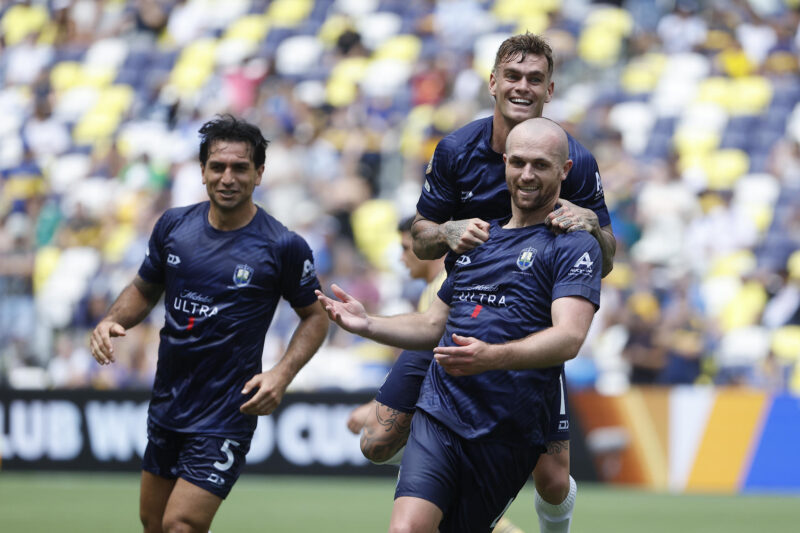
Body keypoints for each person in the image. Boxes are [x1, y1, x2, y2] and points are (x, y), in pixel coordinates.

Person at [365, 32, 616, 533]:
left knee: (552, 476)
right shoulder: (457, 149)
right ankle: (441, 461)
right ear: (493, 83)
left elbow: (604, 255)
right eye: (514, 76)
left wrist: (591, 225)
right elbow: (421, 238)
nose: (523, 87)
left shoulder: (576, 159)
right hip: (460, 311)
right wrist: (446, 231)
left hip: (524, 326)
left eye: (535, 79)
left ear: (550, 90)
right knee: (375, 443)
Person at [318, 117, 601, 532]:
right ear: (504, 162)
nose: (526, 174)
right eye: (518, 162)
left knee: (550, 484)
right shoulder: (476, 240)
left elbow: (570, 338)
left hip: (508, 427)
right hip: (440, 412)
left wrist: (491, 357)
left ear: (564, 171)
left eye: (540, 165)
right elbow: (434, 324)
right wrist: (367, 324)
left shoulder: (573, 244)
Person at [89, 115, 329, 533]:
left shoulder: (283, 245)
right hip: (169, 402)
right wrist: (111, 320)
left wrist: (281, 374)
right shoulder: (174, 227)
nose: (228, 177)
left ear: (259, 173)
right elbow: (145, 288)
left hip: (226, 412)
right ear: (202, 172)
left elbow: (315, 316)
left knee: (181, 524)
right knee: (153, 523)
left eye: (240, 168)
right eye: (217, 167)